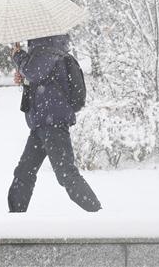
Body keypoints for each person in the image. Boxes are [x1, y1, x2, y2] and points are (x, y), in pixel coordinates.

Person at [7, 34, 101, 213]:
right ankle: (15, 220)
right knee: (23, 173)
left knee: (66, 175)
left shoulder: (49, 48)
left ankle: (97, 215)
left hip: (53, 123)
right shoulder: (41, 52)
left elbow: (34, 71)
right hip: (41, 124)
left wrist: (18, 56)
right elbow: (39, 80)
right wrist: (24, 79)